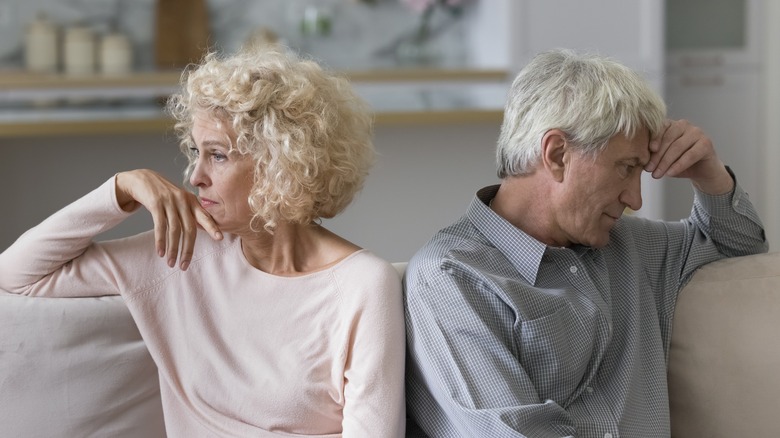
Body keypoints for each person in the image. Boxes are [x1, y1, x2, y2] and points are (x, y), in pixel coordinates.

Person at [0, 46, 405, 437]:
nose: (195, 177)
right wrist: (122, 188)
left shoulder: (362, 285)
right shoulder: (180, 253)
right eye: (196, 152)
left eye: (218, 155)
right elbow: (17, 274)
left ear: (279, 163)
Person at [403, 48, 768, 437]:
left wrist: (709, 176)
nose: (636, 199)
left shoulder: (633, 247)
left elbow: (738, 249)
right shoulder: (451, 277)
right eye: (627, 168)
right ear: (557, 154)